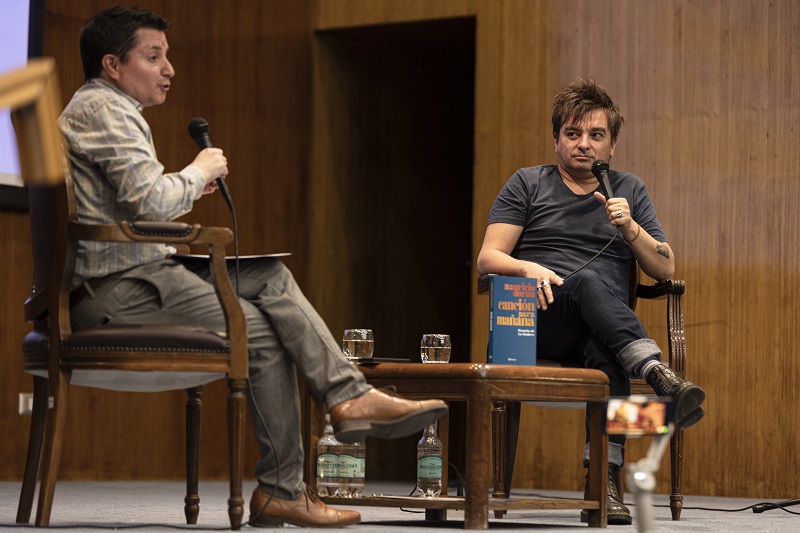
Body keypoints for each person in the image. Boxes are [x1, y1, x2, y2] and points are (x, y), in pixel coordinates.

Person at [59, 6, 447, 528]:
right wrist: (197, 172)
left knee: (270, 276)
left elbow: (136, 205)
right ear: (112, 63)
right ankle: (284, 487)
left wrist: (188, 186)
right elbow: (149, 201)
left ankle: (347, 400)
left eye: (167, 56)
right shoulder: (106, 109)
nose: (169, 68)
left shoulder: (105, 107)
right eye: (154, 57)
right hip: (120, 291)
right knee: (260, 330)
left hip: (139, 273)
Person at [476, 79, 706, 525]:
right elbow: (488, 258)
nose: (584, 145)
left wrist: (631, 229)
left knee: (610, 353)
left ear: (612, 144)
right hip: (537, 319)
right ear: (557, 139)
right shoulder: (527, 183)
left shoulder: (629, 189)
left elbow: (664, 268)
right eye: (573, 134)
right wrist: (529, 268)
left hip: (602, 329)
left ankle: (604, 480)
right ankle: (657, 372)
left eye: (595, 135)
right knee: (585, 284)